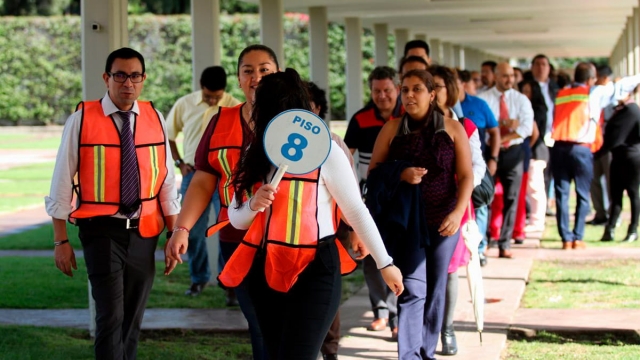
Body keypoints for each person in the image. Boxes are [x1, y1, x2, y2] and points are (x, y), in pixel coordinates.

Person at [207, 68, 403, 359]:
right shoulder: (254, 152)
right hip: (265, 267)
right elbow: (235, 218)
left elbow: (355, 210)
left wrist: (385, 262)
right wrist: (253, 205)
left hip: (316, 268)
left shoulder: (328, 151)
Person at [47, 47, 180, 359]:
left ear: (143, 79)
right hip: (101, 230)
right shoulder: (81, 120)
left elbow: (167, 181)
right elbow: (61, 182)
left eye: (135, 76)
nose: (127, 83)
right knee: (111, 316)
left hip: (145, 232)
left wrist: (174, 234)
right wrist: (60, 240)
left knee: (132, 319)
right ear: (106, 78)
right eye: (120, 75)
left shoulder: (155, 118)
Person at [164, 44, 278, 360]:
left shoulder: (295, 121)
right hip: (236, 240)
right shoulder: (221, 121)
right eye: (248, 71)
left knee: (286, 326)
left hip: (288, 240)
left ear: (277, 75)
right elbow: (203, 179)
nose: (256, 77)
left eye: (265, 69)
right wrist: (182, 228)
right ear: (239, 80)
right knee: (258, 325)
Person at [368, 69, 474, 360]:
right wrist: (400, 173)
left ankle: (427, 352)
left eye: (417, 90)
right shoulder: (392, 129)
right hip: (407, 224)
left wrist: (458, 213)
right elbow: (373, 174)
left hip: (444, 222)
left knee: (436, 288)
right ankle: (410, 356)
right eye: (405, 90)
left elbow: (466, 176)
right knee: (412, 288)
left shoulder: (453, 128)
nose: (410, 96)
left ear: (432, 94)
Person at [166, 66, 241, 297]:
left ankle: (227, 282)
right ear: (201, 87)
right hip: (193, 176)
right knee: (192, 231)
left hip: (225, 178)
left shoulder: (236, 106)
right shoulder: (185, 104)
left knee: (227, 231)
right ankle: (198, 279)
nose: (212, 101)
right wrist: (180, 163)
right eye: (208, 96)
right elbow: (168, 135)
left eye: (216, 97)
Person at [429, 65, 486, 356]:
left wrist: (461, 183)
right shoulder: (409, 124)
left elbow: (478, 167)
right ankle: (422, 327)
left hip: (456, 206)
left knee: (450, 271)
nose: (431, 91)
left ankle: (446, 329)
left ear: (450, 90)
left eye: (436, 85)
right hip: (421, 206)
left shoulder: (466, 126)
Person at [344, 66, 403, 338]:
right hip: (369, 197)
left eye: (387, 90)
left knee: (397, 254)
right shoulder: (360, 119)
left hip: (401, 195)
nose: (382, 96)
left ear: (397, 89)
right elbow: (346, 156)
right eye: (377, 91)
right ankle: (380, 311)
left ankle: (397, 313)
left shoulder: (406, 116)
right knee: (369, 253)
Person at [308, 81, 358, 360]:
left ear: (318, 109)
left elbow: (350, 197)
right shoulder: (277, 141)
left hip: (329, 235)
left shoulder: (333, 143)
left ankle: (330, 350)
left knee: (327, 299)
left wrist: (352, 232)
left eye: (309, 105)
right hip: (289, 237)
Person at [479, 62, 534, 259]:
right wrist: (504, 125)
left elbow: (526, 127)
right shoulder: (483, 99)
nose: (509, 79)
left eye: (511, 75)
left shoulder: (521, 100)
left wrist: (500, 138)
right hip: (488, 154)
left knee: (512, 198)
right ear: (495, 76)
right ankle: (484, 240)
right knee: (485, 196)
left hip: (514, 152)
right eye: (504, 76)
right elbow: (482, 125)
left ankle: (505, 243)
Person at [550, 62, 599, 250]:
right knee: (582, 194)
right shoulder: (590, 93)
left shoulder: (561, 94)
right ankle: (577, 237)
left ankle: (565, 239)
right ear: (589, 79)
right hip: (581, 149)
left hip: (559, 146)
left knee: (562, 195)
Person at [597, 83, 640, 243]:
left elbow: (615, 137)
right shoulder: (620, 110)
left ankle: (633, 229)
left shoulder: (631, 110)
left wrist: (596, 154)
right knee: (615, 195)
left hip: (631, 158)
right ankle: (610, 228)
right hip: (618, 157)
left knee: (633, 193)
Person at [519, 80, 549, 234]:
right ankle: (533, 219)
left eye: (528, 91)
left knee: (535, 188)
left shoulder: (537, 110)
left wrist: (526, 148)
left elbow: (535, 134)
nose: (524, 94)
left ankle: (537, 221)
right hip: (532, 152)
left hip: (536, 152)